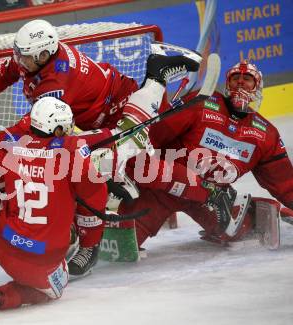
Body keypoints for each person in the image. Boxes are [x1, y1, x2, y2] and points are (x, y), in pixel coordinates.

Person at [0, 18, 202, 271]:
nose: (19, 61)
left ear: (45, 54)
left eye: (25, 57)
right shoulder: (37, 58)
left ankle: (157, 78)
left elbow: (33, 129)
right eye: (20, 54)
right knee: (98, 172)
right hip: (93, 121)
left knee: (123, 166)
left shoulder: (55, 83)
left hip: (119, 114)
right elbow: (7, 70)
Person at [116, 60, 293, 253]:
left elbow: (284, 181)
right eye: (236, 78)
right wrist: (129, 170)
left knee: (242, 231)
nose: (241, 83)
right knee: (125, 241)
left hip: (212, 199)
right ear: (227, 84)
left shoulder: (266, 135)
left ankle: (255, 209)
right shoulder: (201, 104)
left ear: (257, 87)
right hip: (163, 190)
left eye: (247, 79)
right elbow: (153, 138)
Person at [0, 97, 107, 312]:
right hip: (39, 258)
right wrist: (90, 243)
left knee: (7, 212)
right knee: (53, 292)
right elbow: (95, 201)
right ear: (59, 129)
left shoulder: (8, 145)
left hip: (2, 240)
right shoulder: (73, 153)